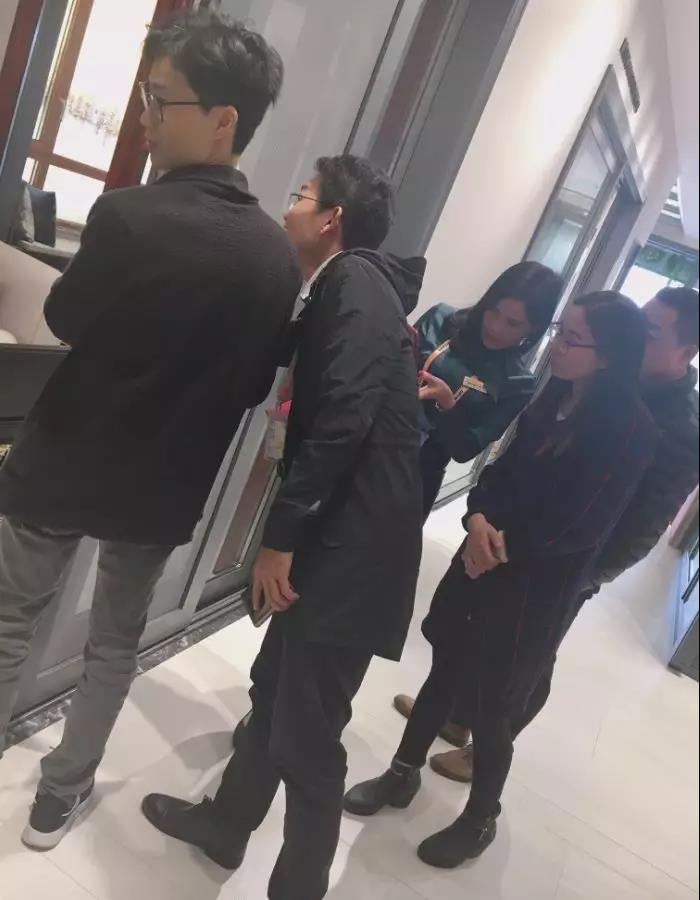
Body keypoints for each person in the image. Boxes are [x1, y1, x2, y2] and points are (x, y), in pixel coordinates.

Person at [0, 11, 299, 851]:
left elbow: (65, 317)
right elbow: (251, 387)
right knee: (114, 641)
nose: (144, 117)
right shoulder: (277, 258)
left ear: (223, 119)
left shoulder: (127, 216)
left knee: (9, 620)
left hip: (64, 459)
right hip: (162, 485)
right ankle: (61, 795)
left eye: (160, 100)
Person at [141, 155, 426, 899]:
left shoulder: (355, 282)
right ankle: (227, 824)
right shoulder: (346, 284)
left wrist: (281, 538)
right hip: (346, 537)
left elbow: (343, 420)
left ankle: (299, 886)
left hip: (350, 550)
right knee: (276, 691)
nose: (290, 205)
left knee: (307, 734)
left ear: (332, 218)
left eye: (302, 195)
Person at [344, 292, 658, 869]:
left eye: (573, 338)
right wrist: (477, 520)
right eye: (561, 330)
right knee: (443, 670)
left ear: (609, 355)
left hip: (533, 587)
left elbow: (584, 522)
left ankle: (479, 818)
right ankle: (401, 773)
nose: (557, 344)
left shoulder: (631, 429)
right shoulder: (553, 395)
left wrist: (501, 549)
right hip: (481, 556)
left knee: (493, 706)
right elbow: (499, 470)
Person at [421, 286, 700, 785]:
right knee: (475, 629)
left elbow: (644, 524)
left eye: (653, 331)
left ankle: (485, 753)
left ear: (687, 351)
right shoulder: (591, 379)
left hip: (569, 562)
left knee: (528, 661)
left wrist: (587, 574)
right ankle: (454, 716)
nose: (637, 334)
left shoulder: (680, 427)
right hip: (517, 537)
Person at [394, 262, 562, 748]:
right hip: (376, 442)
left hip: (422, 469)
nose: (498, 328)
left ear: (533, 329)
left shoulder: (517, 381)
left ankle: (439, 709)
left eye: (515, 324)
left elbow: (468, 447)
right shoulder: (442, 320)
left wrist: (448, 406)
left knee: (380, 562)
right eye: (495, 313)